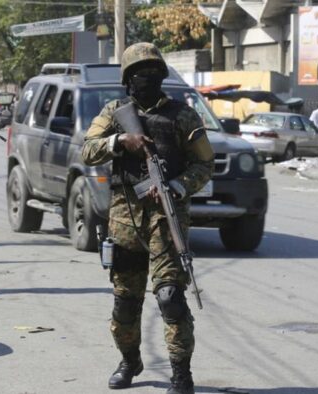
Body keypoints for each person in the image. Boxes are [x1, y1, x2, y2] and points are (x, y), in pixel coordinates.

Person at [81, 42, 214, 394]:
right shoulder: (113, 112)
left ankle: (181, 374)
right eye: (140, 74)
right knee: (126, 301)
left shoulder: (182, 115)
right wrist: (119, 141)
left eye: (154, 74)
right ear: (128, 79)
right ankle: (129, 360)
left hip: (166, 219)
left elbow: (205, 163)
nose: (148, 80)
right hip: (125, 220)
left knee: (170, 296)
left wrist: (178, 186)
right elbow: (87, 148)